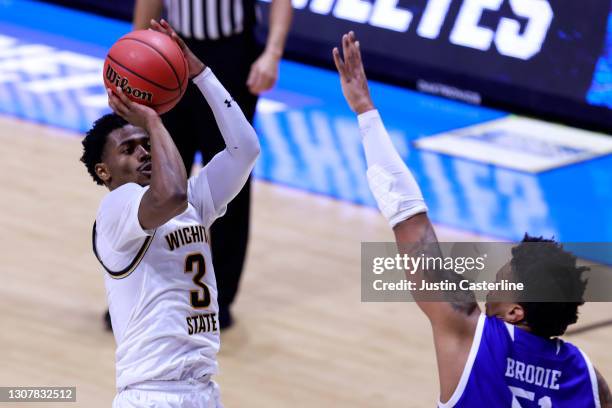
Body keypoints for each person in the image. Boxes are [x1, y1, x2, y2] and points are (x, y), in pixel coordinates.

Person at [333, 31, 612, 407]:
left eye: (508, 274)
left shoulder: (471, 333)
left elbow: (409, 218)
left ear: (516, 312)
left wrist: (366, 113)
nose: (497, 273)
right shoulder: (590, 382)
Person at [81, 20, 259, 407]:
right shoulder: (116, 210)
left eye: (146, 144)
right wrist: (154, 121)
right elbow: (172, 194)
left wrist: (202, 75)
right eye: (128, 149)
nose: (143, 151)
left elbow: (244, 150)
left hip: (203, 388)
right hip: (152, 394)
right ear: (103, 171)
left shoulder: (194, 202)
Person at [132, 0, 292, 329]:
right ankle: (141, 290)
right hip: (173, 52)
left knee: (231, 184)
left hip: (231, 56)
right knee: (156, 179)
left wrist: (272, 54)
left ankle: (216, 300)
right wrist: (140, 55)